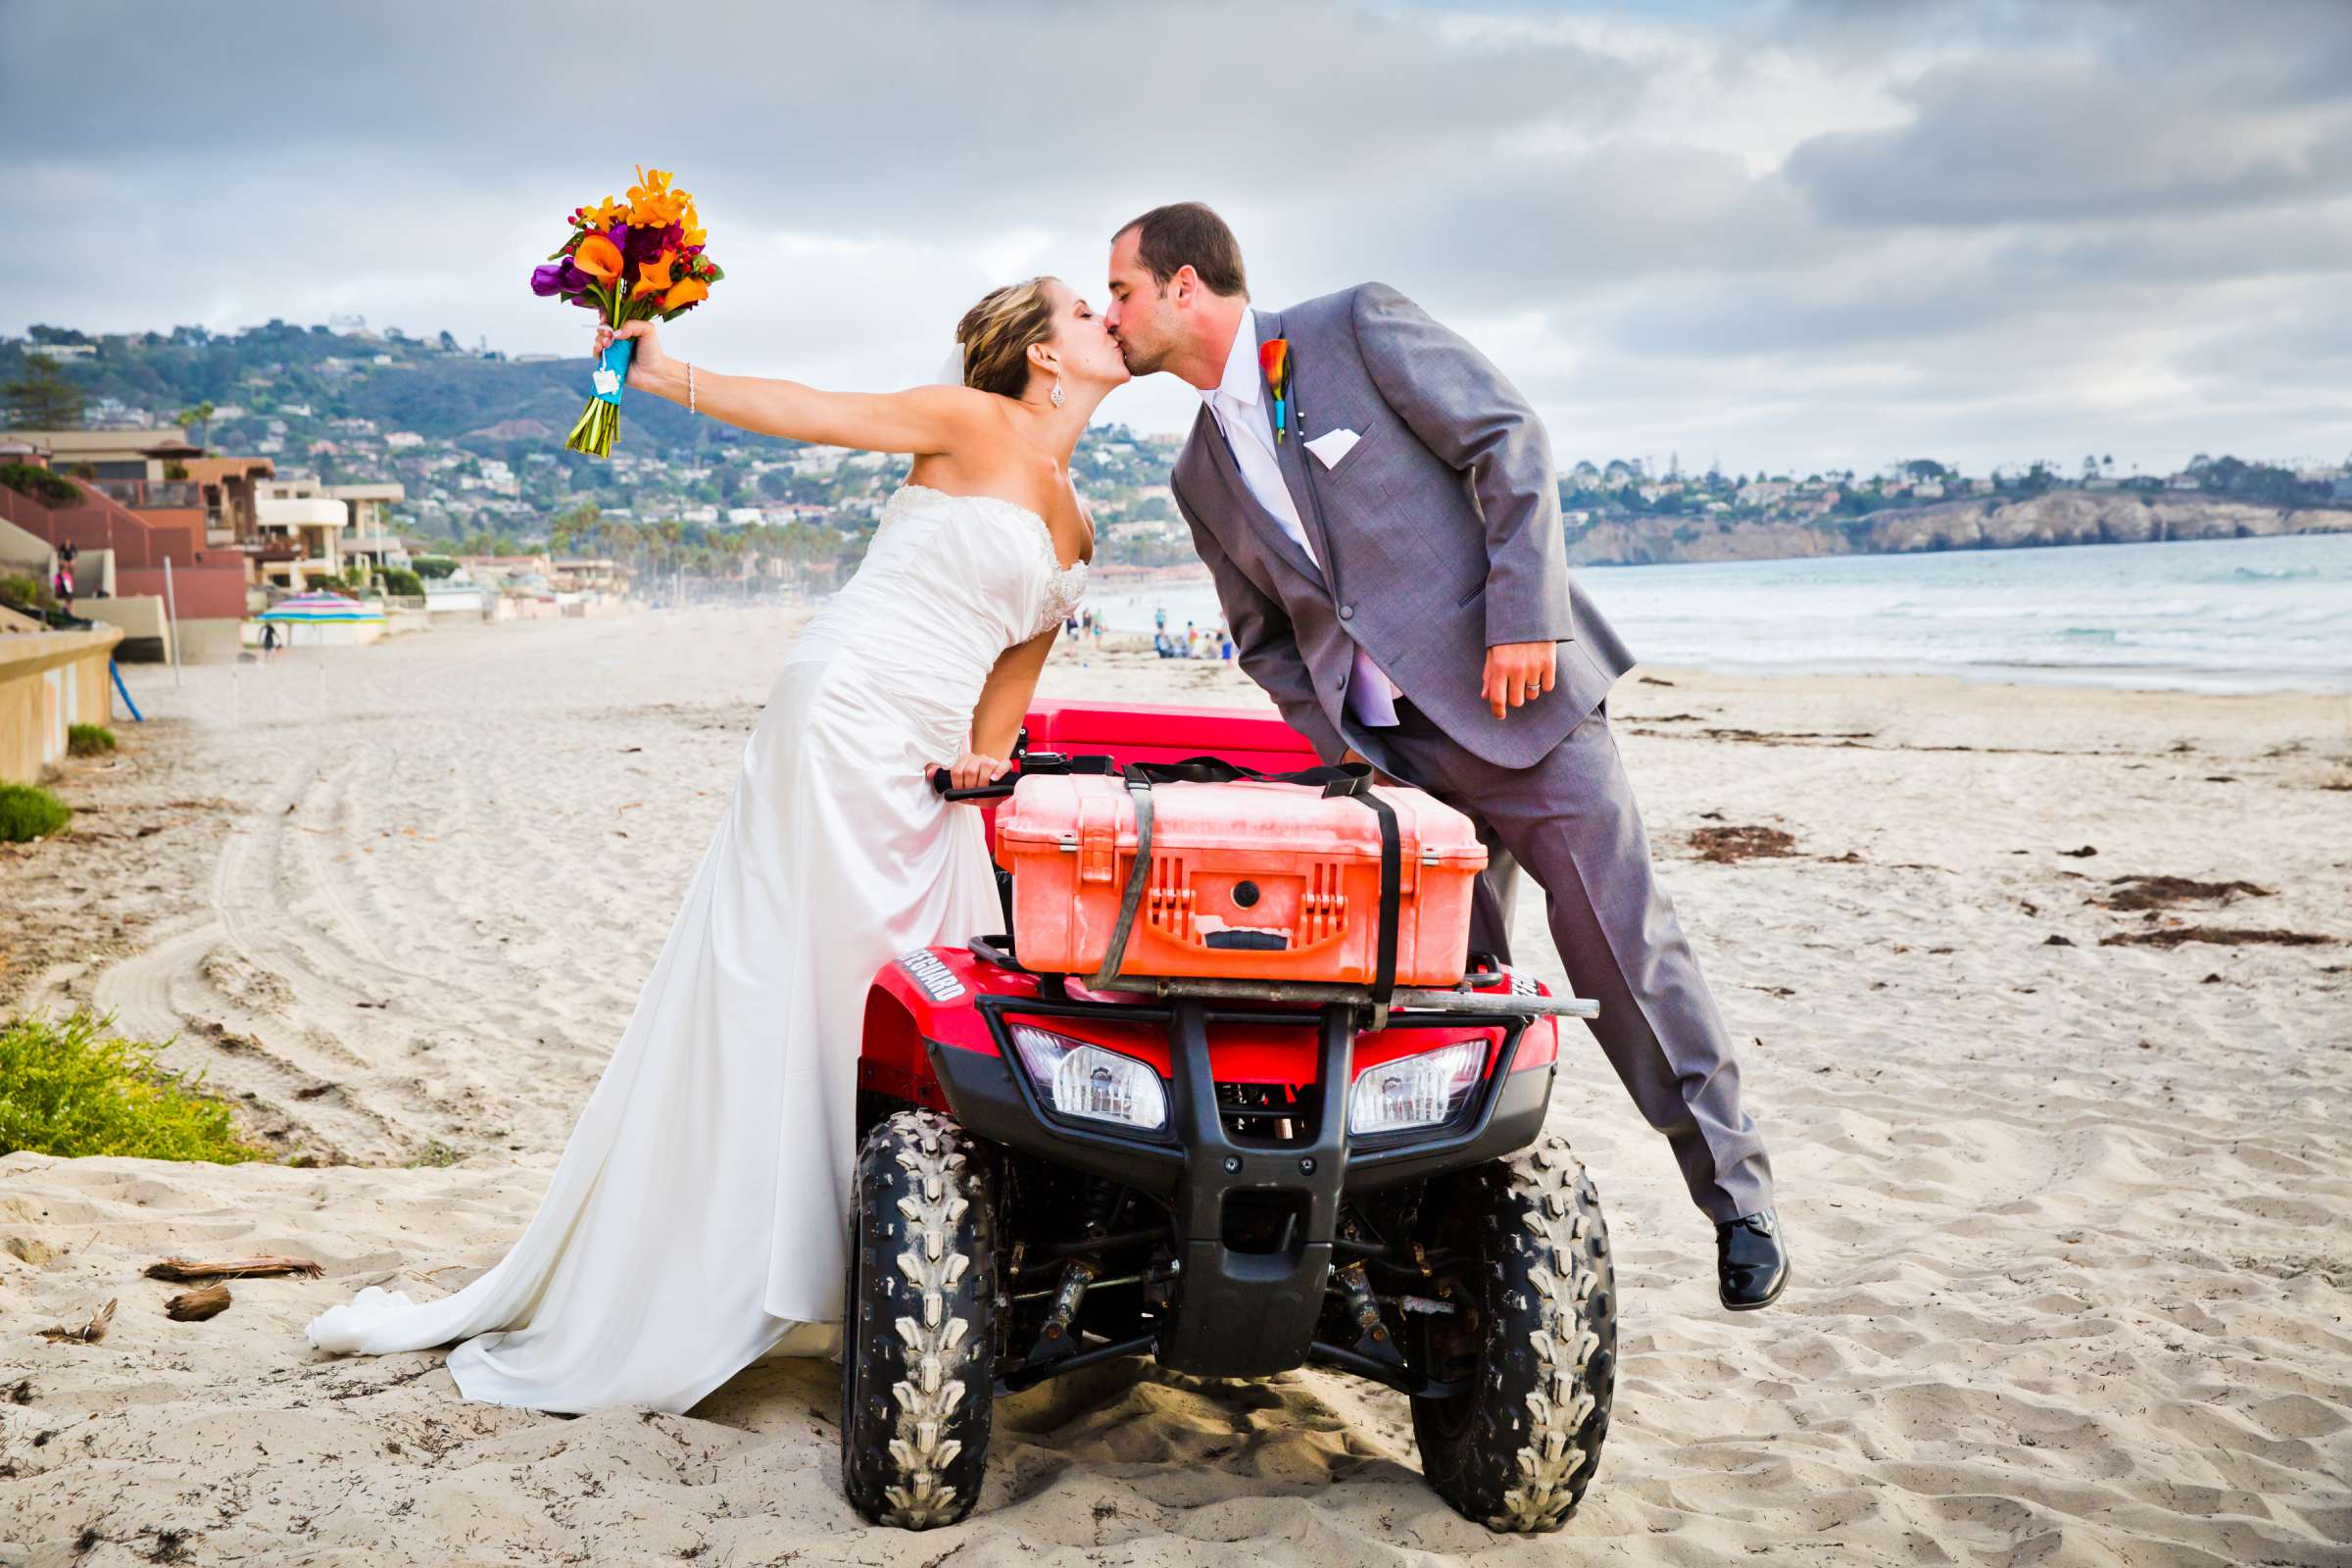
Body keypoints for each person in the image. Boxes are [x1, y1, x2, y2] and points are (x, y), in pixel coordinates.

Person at [306, 274, 1117, 1411]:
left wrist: (989, 760)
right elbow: (809, 409)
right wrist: (658, 371)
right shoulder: (975, 422)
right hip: (845, 711)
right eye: (1086, 310)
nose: (1106, 320)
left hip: (936, 765)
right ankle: (742, 1267)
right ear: (1040, 353)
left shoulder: (1082, 517)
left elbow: (1014, 675)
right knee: (808, 977)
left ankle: (884, 1256)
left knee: (919, 984)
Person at [1104, 202, 1787, 1310]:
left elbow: (1506, 439)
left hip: (1524, 710)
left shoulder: (1350, 328)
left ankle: (1738, 1198)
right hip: (1397, 768)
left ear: (1186, 287)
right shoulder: (1196, 470)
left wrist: (1529, 615)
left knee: (1622, 949)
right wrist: (1344, 748)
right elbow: (1263, 636)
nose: (1112, 314)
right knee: (1438, 1001)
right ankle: (1450, 1251)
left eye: (1123, 290)